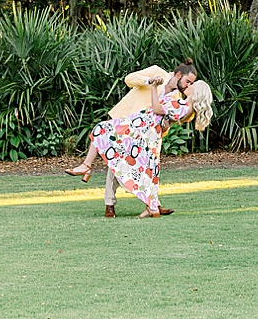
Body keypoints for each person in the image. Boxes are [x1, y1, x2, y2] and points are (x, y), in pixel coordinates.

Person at [68, 61, 213, 217]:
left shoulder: (179, 98)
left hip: (146, 132)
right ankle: (111, 203)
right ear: (178, 75)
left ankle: (152, 205)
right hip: (130, 122)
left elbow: (172, 116)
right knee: (119, 159)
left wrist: (167, 123)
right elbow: (129, 79)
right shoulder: (157, 71)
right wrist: (150, 81)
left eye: (191, 84)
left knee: (144, 165)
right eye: (188, 81)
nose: (187, 85)